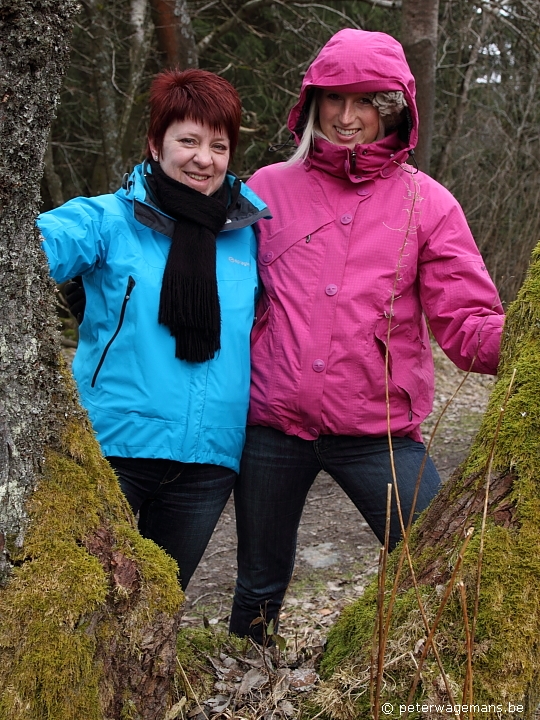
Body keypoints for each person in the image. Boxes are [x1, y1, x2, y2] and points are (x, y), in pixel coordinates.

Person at [229, 28, 505, 641]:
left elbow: (465, 320)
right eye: (335, 100)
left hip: (377, 430)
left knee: (438, 562)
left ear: (395, 109)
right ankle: (246, 677)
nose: (347, 118)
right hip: (272, 425)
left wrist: (520, 344)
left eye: (366, 102)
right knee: (258, 584)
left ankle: (420, 670)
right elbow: (218, 283)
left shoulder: (427, 204)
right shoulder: (268, 188)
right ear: (313, 103)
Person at [37, 69, 270, 590]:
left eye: (218, 144)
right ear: (155, 143)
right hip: (113, 448)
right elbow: (32, 247)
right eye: (187, 140)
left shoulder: (248, 236)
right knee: (82, 603)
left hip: (208, 460)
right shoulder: (107, 220)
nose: (203, 159)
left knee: (158, 610)